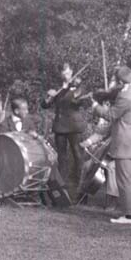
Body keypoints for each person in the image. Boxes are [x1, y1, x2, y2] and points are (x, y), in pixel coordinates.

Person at [92, 65, 131, 224]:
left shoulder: (125, 96)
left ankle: (130, 215)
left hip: (125, 144)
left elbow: (111, 115)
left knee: (124, 180)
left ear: (120, 81)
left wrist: (95, 106)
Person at [41, 63, 87, 201]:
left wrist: (68, 89)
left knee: (77, 155)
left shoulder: (78, 86)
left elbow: (77, 101)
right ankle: (62, 186)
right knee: (61, 156)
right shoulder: (57, 87)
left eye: (67, 73)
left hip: (74, 125)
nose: (65, 75)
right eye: (63, 73)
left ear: (72, 72)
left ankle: (78, 186)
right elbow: (45, 105)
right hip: (60, 125)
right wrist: (48, 96)